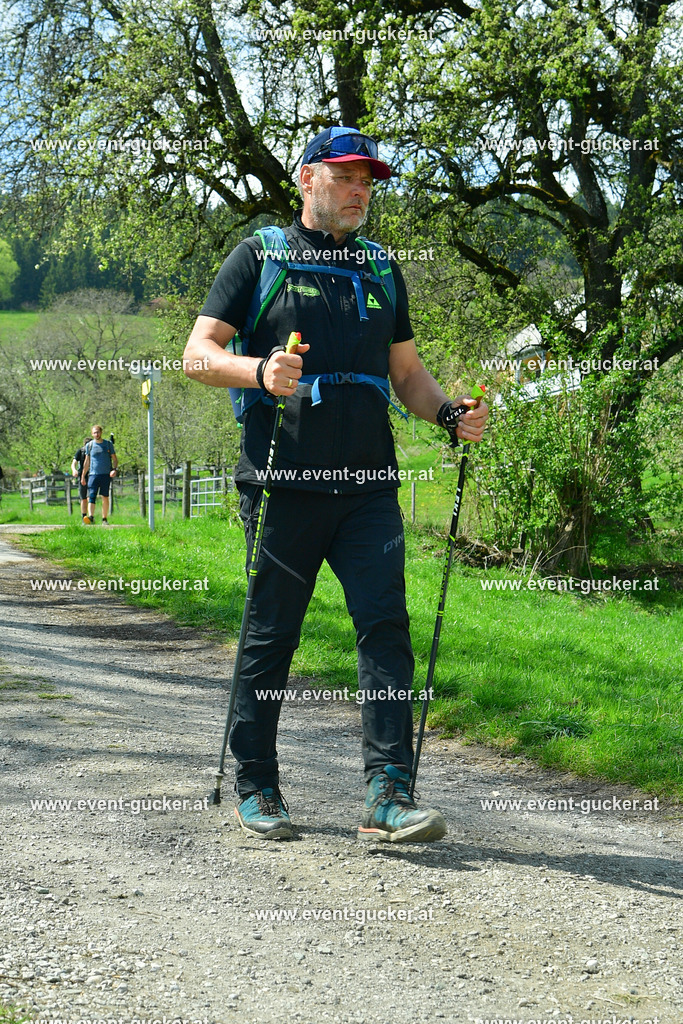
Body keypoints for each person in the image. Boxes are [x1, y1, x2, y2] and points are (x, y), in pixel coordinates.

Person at [183, 126, 489, 844]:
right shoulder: (260, 256)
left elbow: (406, 374)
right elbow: (199, 355)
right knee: (271, 636)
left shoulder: (382, 269)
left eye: (368, 183)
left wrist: (446, 414)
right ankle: (257, 784)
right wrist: (258, 372)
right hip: (283, 482)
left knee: (385, 631)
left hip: (367, 488)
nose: (359, 193)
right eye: (345, 178)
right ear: (306, 178)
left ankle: (388, 795)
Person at [81, 424, 117, 525]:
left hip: (105, 474)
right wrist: (83, 475)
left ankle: (104, 519)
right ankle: (91, 517)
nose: (96, 434)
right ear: (92, 434)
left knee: (104, 496)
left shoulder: (108, 444)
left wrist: (114, 469)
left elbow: (114, 459)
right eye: (94, 432)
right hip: (93, 475)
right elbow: (87, 462)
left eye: (98, 432)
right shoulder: (90, 445)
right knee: (91, 496)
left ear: (101, 432)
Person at [71, 438, 90, 520]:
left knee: (90, 497)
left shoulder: (94, 452)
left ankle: (90, 516)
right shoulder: (80, 451)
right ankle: (84, 516)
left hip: (92, 475)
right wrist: (74, 470)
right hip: (82, 476)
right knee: (83, 498)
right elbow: (74, 462)